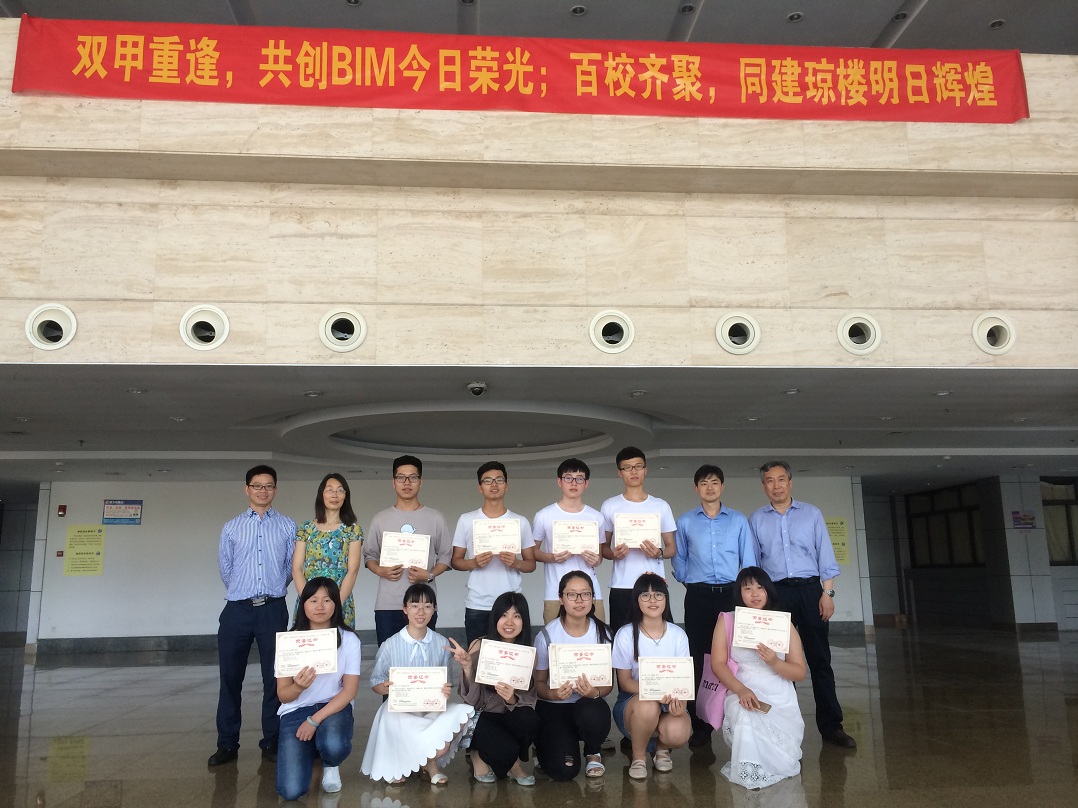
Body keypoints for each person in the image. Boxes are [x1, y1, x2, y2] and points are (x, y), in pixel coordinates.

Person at [748, 460, 856, 749]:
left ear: (790, 482)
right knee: (780, 663)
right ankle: (784, 726)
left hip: (810, 592)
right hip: (776, 595)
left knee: (820, 659)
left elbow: (825, 556)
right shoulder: (757, 519)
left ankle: (832, 726)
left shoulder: (811, 514)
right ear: (764, 486)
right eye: (770, 481)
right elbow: (754, 565)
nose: (776, 486)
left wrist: (827, 593)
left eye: (781, 479)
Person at [209, 465, 297, 766]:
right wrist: (244, 591)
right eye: (257, 485)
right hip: (237, 610)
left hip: (273, 609)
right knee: (230, 678)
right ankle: (227, 743)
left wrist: (272, 589)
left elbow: (290, 567)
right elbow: (226, 568)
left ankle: (271, 741)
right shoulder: (231, 527)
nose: (263, 490)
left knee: (275, 678)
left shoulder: (287, 526)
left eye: (269, 485)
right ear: (247, 489)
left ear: (275, 490)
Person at [672, 464, 757, 748]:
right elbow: (679, 558)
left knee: (736, 656)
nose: (710, 488)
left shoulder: (738, 520)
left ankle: (740, 716)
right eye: (704, 483)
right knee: (698, 656)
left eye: (715, 482)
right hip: (698, 595)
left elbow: (748, 560)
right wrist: (687, 579)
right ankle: (701, 725)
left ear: (722, 486)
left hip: (731, 596)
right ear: (696, 488)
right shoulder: (685, 521)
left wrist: (748, 595)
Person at [361, 583, 474, 784]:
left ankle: (427, 762)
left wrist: (445, 690)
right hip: (400, 711)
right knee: (393, 719)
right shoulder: (390, 644)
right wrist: (385, 687)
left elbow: (445, 682)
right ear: (405, 609)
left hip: (430, 708)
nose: (421, 612)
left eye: (427, 606)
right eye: (414, 606)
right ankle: (423, 765)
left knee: (463, 714)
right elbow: (375, 682)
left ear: (434, 609)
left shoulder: (442, 644)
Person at [710, 567, 806, 788]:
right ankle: (750, 771)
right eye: (748, 588)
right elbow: (717, 664)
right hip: (741, 687)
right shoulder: (728, 620)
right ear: (739, 593)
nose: (755, 594)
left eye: (760, 588)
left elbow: (800, 672)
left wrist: (775, 662)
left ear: (768, 591)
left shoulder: (783, 623)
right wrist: (741, 690)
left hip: (779, 692)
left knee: (783, 760)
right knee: (745, 712)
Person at [275, 577, 361, 800]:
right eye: (313, 600)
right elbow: (283, 694)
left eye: (327, 600)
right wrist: (298, 687)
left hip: (333, 707)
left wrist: (314, 720)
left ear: (336, 604)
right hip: (296, 710)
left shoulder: (349, 639)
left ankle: (330, 762)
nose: (320, 606)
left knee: (334, 745)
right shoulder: (289, 641)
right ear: (303, 604)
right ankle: (314, 752)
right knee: (290, 791)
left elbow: (349, 691)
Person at [451, 592, 539, 785]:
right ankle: (478, 753)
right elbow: (470, 701)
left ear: (524, 621)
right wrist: (468, 668)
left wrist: (512, 699)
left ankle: (515, 764)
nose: (509, 622)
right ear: (495, 618)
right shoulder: (480, 645)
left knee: (529, 719)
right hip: (482, 715)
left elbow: (529, 699)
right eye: (504, 615)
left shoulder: (528, 653)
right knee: (505, 751)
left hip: (509, 715)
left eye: (516, 616)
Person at [363, 455, 453, 644]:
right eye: (401, 477)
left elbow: (446, 555)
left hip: (423, 604)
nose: (407, 482)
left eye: (413, 477)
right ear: (393, 482)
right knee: (388, 657)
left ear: (420, 482)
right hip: (388, 604)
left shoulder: (435, 518)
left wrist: (429, 575)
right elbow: (369, 555)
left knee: (423, 657)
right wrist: (380, 570)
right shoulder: (380, 519)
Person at [533, 570, 614, 781]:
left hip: (588, 706)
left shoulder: (604, 634)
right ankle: (545, 746)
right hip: (555, 708)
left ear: (592, 598)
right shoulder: (547, 635)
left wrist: (594, 692)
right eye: (571, 594)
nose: (579, 600)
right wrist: (553, 694)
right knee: (564, 771)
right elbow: (538, 683)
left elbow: (608, 685)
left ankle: (593, 751)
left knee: (594, 710)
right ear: (561, 599)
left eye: (585, 594)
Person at [611, 573, 691, 780]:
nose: (652, 600)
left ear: (666, 599)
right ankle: (638, 757)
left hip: (669, 700)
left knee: (678, 732)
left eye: (658, 595)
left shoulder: (678, 635)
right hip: (634, 703)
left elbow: (683, 679)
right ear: (636, 600)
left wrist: (680, 703)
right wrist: (654, 692)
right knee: (648, 706)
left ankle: (662, 749)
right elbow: (625, 682)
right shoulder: (625, 634)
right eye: (645, 595)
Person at [451, 461, 537, 645]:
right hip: (478, 603)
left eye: (499, 480)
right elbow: (456, 561)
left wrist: (516, 563)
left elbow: (531, 564)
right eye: (488, 481)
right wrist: (474, 563)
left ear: (506, 486)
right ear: (480, 487)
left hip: (511, 604)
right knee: (477, 657)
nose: (494, 484)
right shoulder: (466, 520)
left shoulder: (520, 521)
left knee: (512, 655)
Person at [600, 447, 676, 632]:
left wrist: (659, 553)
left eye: (638, 466)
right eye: (627, 468)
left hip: (654, 585)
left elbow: (671, 548)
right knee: (621, 637)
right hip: (621, 585)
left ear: (645, 470)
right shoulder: (610, 505)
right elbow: (604, 549)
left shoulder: (660, 505)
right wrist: (614, 554)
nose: (633, 471)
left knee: (661, 636)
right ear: (620, 473)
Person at [532, 458, 607, 624]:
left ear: (586, 484)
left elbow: (600, 557)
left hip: (590, 592)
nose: (574, 483)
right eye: (568, 478)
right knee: (555, 637)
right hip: (555, 592)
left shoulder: (596, 517)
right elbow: (532, 551)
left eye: (579, 478)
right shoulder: (544, 515)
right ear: (559, 482)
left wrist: (596, 560)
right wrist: (551, 557)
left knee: (597, 636)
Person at [292, 473, 363, 628]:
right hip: (309, 599)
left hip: (340, 598)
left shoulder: (353, 530)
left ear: (345, 496)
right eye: (329, 490)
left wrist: (336, 604)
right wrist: (308, 601)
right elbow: (297, 568)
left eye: (340, 490)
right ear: (321, 494)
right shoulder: (306, 528)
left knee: (340, 641)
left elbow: (353, 571)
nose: (335, 495)